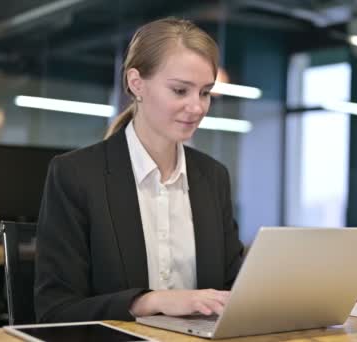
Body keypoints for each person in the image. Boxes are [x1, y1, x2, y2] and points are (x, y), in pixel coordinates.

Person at [34, 17, 244, 323]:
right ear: (136, 84)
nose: (198, 107)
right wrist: (149, 302)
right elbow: (55, 311)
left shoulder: (214, 177)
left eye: (205, 92)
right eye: (180, 90)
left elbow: (231, 289)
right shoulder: (76, 175)